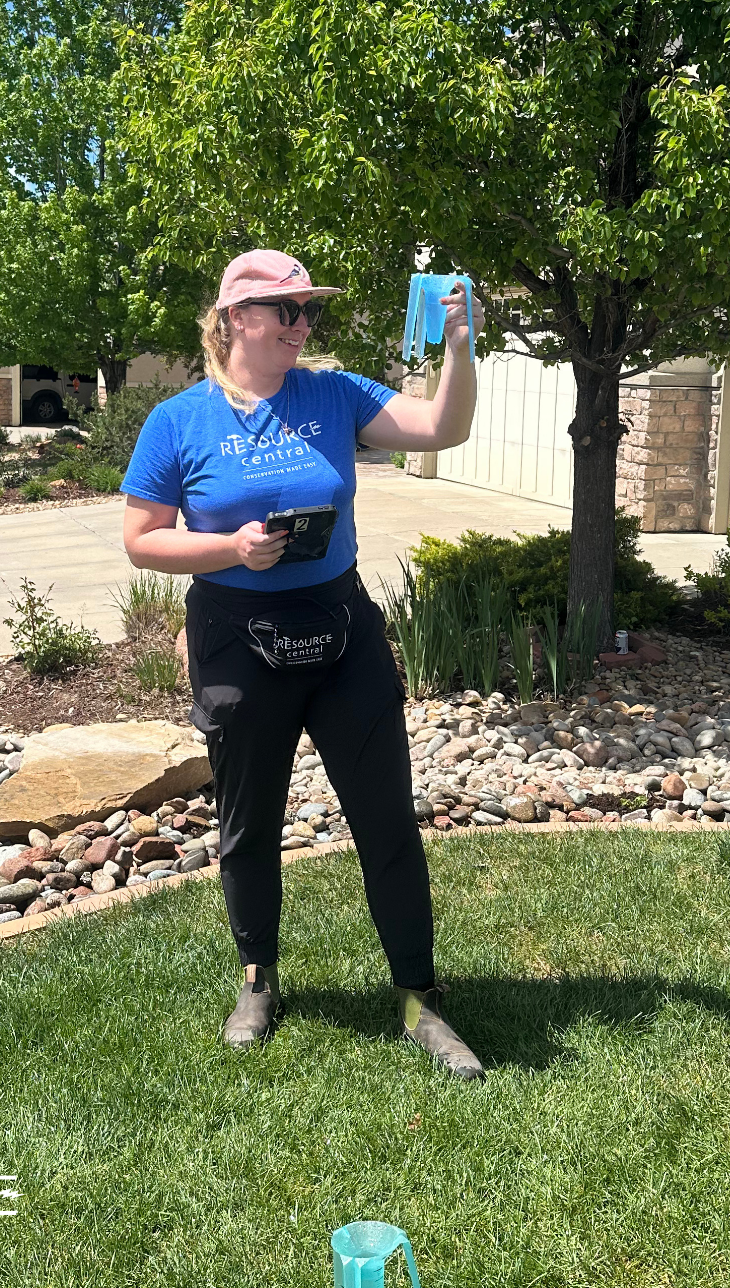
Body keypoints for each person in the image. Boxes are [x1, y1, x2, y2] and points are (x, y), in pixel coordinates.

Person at [120, 249, 486, 1081]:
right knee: (249, 821)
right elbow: (143, 539)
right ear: (235, 319)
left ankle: (419, 998)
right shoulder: (178, 421)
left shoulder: (335, 392)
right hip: (235, 635)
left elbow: (442, 428)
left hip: (341, 628)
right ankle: (258, 980)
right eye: (285, 311)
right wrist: (231, 547)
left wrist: (458, 351)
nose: (301, 325)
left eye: (307, 311)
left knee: (387, 817)